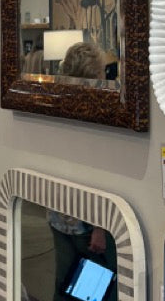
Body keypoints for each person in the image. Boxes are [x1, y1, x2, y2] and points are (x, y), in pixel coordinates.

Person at [49, 40, 116, 301]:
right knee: (96, 289)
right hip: (87, 222)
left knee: (65, 284)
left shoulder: (55, 103)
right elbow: (99, 168)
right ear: (96, 73)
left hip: (58, 214)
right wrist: (100, 227)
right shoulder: (99, 108)